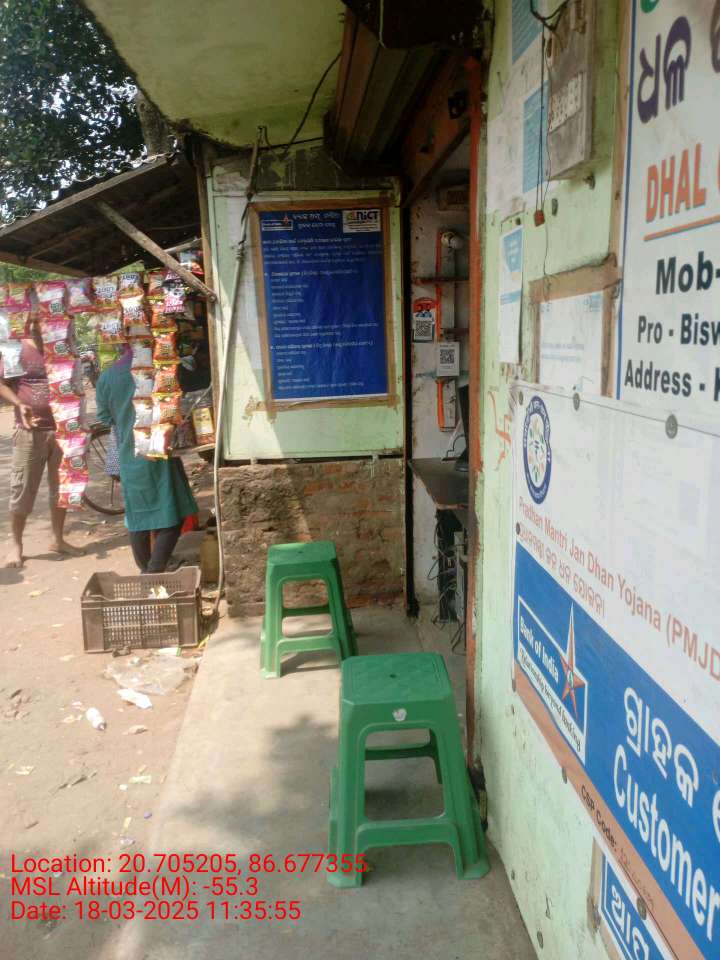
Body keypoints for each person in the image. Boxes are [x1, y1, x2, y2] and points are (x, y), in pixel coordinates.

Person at [95, 347, 198, 573]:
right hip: (160, 452)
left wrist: (126, 419)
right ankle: (153, 571)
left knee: (138, 518)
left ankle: (147, 571)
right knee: (173, 515)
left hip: (129, 456)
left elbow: (105, 417)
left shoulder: (107, 377)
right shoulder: (160, 370)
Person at [0, 320, 85, 568]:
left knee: (61, 488)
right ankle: (16, 545)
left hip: (64, 430)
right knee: (22, 489)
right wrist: (18, 404)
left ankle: (58, 539)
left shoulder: (61, 346)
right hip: (30, 432)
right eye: (35, 319)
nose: (40, 324)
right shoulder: (16, 348)